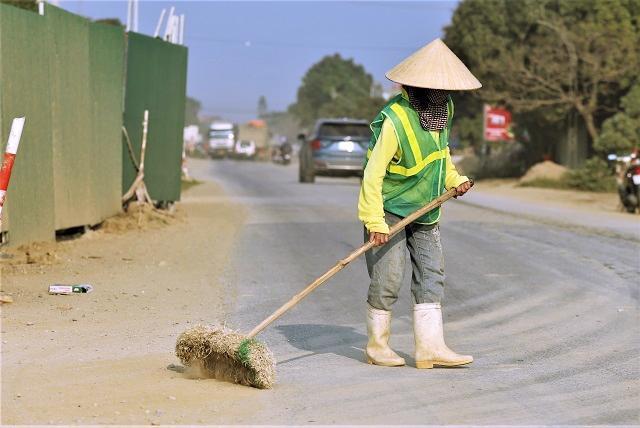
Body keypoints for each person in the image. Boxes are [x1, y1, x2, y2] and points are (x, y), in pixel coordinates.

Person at [358, 39, 481, 368]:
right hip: (389, 210)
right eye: (436, 90)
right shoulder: (394, 120)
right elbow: (373, 174)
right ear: (417, 88)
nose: (443, 96)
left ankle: (430, 348)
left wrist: (455, 180)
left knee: (432, 274)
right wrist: (374, 222)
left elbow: (440, 157)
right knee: (389, 276)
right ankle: (376, 346)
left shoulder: (444, 111)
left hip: (426, 209)